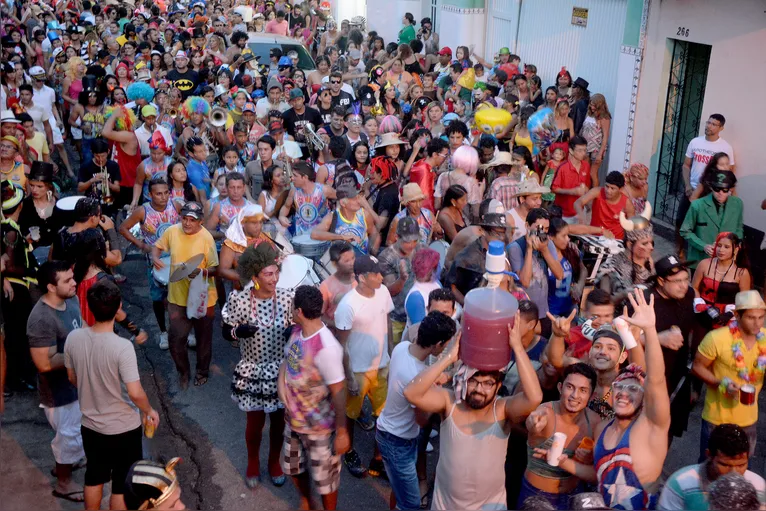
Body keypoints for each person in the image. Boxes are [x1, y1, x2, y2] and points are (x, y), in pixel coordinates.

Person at [542, 290, 670, 510]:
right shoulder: (584, 375)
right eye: (598, 347)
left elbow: (651, 374)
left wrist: (645, 331)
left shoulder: (627, 383)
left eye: (611, 349)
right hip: (586, 463)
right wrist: (557, 335)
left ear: (622, 356)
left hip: (620, 460)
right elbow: (556, 360)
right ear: (590, 352)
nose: (603, 353)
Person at [404, 311, 543, 510]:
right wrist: (449, 359)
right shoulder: (449, 401)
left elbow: (535, 398)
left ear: (498, 386)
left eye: (488, 384)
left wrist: (517, 348)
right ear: (463, 379)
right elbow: (411, 393)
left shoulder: (502, 409)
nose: (479, 389)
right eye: (474, 381)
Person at [64, 279, 160, 511]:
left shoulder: (73, 338)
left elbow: (72, 378)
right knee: (121, 483)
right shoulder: (122, 347)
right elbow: (135, 393)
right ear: (118, 309)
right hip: (123, 429)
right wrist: (149, 410)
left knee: (94, 476)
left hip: (90, 425)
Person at [222, 242, 293, 489]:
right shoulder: (239, 300)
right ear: (254, 277)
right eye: (268, 274)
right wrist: (237, 331)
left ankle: (274, 462)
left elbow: (296, 329)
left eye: (276, 273)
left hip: (280, 371)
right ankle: (253, 462)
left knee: (278, 422)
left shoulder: (286, 298)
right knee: (254, 423)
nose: (274, 279)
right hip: (253, 369)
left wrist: (291, 332)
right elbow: (225, 330)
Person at [278, 285, 349, 510]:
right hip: (294, 422)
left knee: (326, 481)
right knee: (292, 467)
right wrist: (283, 390)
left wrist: (342, 432)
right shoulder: (298, 331)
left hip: (320, 428)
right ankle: (307, 500)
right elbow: (287, 362)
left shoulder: (326, 347)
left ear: (299, 311)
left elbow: (339, 391)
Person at [377, 311, 457, 510]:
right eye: (445, 344)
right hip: (398, 442)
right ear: (438, 344)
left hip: (389, 432)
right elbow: (421, 420)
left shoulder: (402, 347)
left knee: (401, 492)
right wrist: (436, 396)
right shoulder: (416, 375)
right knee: (411, 504)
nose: (446, 348)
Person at [27, 261, 85, 504]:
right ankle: (63, 482)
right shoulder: (41, 319)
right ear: (51, 286)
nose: (74, 283)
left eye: (73, 277)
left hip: (75, 387)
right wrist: (80, 349)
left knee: (72, 435)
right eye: (67, 280)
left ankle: (66, 462)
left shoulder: (70, 300)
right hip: (59, 394)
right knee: (68, 437)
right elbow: (44, 363)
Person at [334, 255, 395, 478]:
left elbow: (386, 320)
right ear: (361, 278)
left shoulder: (384, 292)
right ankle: (348, 451)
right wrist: (349, 377)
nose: (381, 277)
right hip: (357, 371)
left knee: (383, 415)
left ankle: (377, 459)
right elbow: (342, 344)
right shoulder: (348, 305)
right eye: (375, 274)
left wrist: (391, 351)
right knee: (350, 414)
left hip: (382, 366)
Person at [692, 290, 766, 460]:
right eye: (751, 317)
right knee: (710, 467)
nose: (757, 323)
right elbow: (697, 366)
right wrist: (720, 383)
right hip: (717, 419)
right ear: (737, 316)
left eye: (761, 317)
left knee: (742, 468)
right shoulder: (716, 338)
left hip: (749, 420)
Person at [152, 201, 218, 389]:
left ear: (201, 222)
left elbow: (215, 268)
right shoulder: (172, 231)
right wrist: (155, 257)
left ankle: (202, 371)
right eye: (184, 218)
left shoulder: (207, 238)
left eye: (192, 220)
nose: (187, 223)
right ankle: (183, 372)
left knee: (203, 340)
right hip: (177, 297)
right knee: (176, 339)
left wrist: (201, 272)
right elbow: (157, 247)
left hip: (203, 299)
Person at [521, 363, 601, 509]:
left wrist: (590, 458)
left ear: (591, 396)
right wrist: (533, 423)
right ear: (560, 388)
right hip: (536, 496)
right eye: (570, 387)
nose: (574, 395)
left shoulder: (595, 422)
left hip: (574, 498)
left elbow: (597, 475)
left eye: (583, 390)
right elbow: (534, 421)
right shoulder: (546, 412)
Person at [119, 175, 180, 350]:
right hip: (156, 261)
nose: (163, 197)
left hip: (177, 259)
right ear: (150, 194)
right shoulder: (142, 211)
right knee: (158, 297)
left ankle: (184, 330)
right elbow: (123, 228)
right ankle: (163, 332)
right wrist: (141, 244)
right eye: (158, 194)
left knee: (181, 295)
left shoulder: (176, 205)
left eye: (166, 192)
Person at [644, 255, 697, 443]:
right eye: (677, 281)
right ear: (660, 281)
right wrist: (658, 338)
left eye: (686, 279)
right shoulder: (645, 301)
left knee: (669, 432)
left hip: (678, 377)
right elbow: (624, 338)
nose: (684, 285)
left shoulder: (688, 294)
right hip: (651, 379)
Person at [658, 423, 766, 511]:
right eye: (724, 465)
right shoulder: (680, 484)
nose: (734, 473)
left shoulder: (759, 487)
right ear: (709, 455)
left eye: (741, 465)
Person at [509, 207, 565, 334]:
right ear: (527, 226)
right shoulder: (515, 247)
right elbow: (525, 281)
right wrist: (529, 249)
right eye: (538, 228)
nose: (542, 232)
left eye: (545, 229)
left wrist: (544, 250)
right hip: (523, 312)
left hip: (542, 310)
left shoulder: (548, 244)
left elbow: (560, 274)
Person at [679, 114, 735, 233]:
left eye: (713, 124)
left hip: (710, 194)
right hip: (691, 190)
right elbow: (686, 165)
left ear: (721, 128)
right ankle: (679, 251)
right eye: (708, 122)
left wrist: (725, 194)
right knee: (681, 222)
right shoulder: (695, 142)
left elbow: (729, 173)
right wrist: (688, 186)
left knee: (702, 228)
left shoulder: (726, 147)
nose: (709, 126)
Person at [680, 170, 743, 269]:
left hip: (726, 262)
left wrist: (737, 246)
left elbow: (738, 228)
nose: (720, 193)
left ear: (730, 189)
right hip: (701, 261)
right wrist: (703, 246)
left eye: (725, 190)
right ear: (711, 187)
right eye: (717, 189)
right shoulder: (697, 205)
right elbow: (685, 231)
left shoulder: (737, 204)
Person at [595, 204, 655, 304]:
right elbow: (603, 305)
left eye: (651, 243)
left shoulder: (648, 260)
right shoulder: (611, 267)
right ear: (630, 244)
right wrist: (622, 295)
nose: (651, 248)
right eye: (645, 243)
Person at [378, 217, 422, 346]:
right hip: (397, 317)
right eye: (407, 241)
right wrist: (402, 279)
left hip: (417, 314)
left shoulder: (420, 248)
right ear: (397, 237)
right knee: (396, 350)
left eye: (415, 240)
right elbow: (389, 291)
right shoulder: (386, 257)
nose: (412, 245)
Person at [692, 232, 752, 326]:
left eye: (726, 247)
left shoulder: (742, 273)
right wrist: (699, 303)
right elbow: (694, 287)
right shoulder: (704, 264)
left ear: (736, 249)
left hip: (727, 318)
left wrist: (730, 313)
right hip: (703, 314)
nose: (721, 250)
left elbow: (744, 300)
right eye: (719, 245)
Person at [311, 184, 378, 255]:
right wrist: (343, 237)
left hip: (361, 262)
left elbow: (375, 234)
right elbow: (314, 234)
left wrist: (373, 255)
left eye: (358, 197)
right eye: (354, 199)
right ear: (343, 203)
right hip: (341, 262)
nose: (359, 201)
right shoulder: (333, 216)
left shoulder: (364, 215)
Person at [279, 161, 336, 237]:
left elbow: (343, 199)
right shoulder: (294, 191)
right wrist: (281, 216)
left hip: (320, 234)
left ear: (305, 177)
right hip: (300, 234)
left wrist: (332, 215)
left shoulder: (323, 190)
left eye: (295, 176)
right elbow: (286, 206)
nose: (292, 178)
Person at [574, 171, 634, 239]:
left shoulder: (627, 203)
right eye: (607, 186)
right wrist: (581, 217)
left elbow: (631, 226)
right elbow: (578, 202)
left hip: (616, 241)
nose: (608, 191)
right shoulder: (597, 192)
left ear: (621, 189)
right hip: (595, 237)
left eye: (612, 188)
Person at [319, 241, 357, 332]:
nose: (352, 263)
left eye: (353, 258)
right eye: (346, 261)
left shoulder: (361, 278)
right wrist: (338, 326)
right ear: (335, 264)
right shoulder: (326, 286)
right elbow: (320, 315)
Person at [551, 136, 591, 222]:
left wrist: (585, 190)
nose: (583, 153)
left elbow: (587, 186)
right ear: (571, 150)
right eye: (580, 150)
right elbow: (554, 188)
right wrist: (572, 191)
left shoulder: (586, 166)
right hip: (564, 213)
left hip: (579, 212)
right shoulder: (563, 168)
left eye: (584, 150)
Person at [408, 138, 450, 213]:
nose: (445, 159)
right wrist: (431, 217)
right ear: (434, 154)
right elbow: (425, 201)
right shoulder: (425, 172)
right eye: (445, 156)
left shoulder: (422, 162)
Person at [507, 179, 550, 243]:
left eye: (540, 198)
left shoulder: (543, 214)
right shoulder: (510, 219)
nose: (539, 202)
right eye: (535, 199)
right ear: (522, 199)